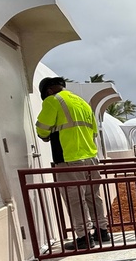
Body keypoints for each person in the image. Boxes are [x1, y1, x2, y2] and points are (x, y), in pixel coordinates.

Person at [35, 77, 111, 250]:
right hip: (91, 158)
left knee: (75, 199)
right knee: (93, 196)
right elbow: (93, 131)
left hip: (69, 159)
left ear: (48, 91)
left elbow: (42, 129)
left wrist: (47, 134)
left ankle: (84, 237)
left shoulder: (53, 101)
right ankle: (102, 231)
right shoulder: (82, 102)